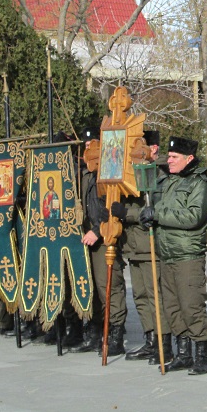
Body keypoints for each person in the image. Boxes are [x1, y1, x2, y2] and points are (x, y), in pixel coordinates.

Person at [140, 136, 207, 374]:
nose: (169, 161)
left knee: (191, 305)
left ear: (189, 158)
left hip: (187, 255)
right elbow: (159, 209)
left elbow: (192, 217)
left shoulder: (199, 184)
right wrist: (147, 217)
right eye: (169, 157)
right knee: (172, 307)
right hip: (166, 253)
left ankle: (201, 355)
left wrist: (158, 216)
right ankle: (183, 353)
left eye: (173, 157)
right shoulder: (170, 182)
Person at [72, 125, 128, 355]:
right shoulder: (84, 173)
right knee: (91, 288)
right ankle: (94, 330)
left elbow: (112, 206)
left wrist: (97, 229)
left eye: (92, 145)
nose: (88, 150)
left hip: (104, 237)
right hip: (84, 239)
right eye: (85, 146)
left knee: (109, 287)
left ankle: (115, 333)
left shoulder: (109, 172)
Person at [120, 129, 170, 364]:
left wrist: (127, 213)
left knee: (155, 296)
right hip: (134, 245)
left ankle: (163, 342)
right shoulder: (131, 173)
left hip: (150, 245)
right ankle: (150, 338)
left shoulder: (160, 173)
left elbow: (155, 208)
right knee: (140, 295)